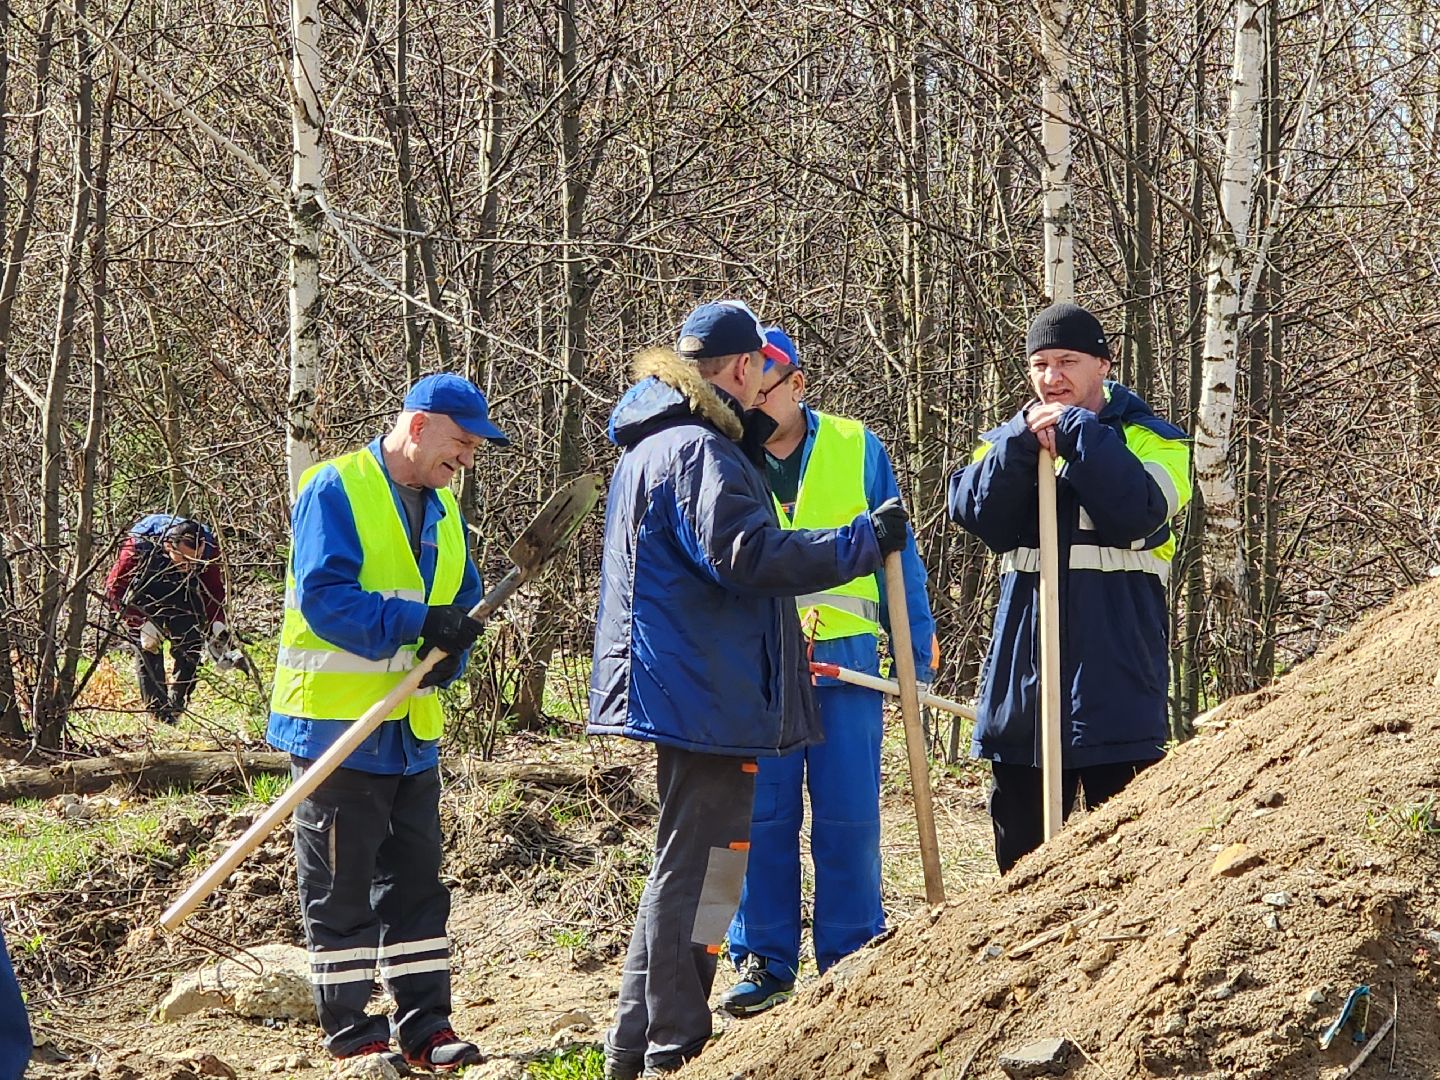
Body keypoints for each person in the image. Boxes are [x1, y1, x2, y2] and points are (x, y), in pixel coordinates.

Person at [587, 301, 911, 1079]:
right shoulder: (697, 450)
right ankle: (676, 1044)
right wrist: (863, 541)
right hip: (703, 692)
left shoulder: (665, 442)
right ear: (739, 369)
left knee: (702, 861)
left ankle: (636, 1046)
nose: (769, 383)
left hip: (699, 688)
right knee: (705, 868)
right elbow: (746, 555)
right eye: (763, 368)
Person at [266, 373, 508, 1072]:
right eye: (461, 441)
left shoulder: (443, 511)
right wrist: (416, 624)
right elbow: (326, 600)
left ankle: (426, 1026)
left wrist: (448, 655)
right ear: (421, 424)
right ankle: (353, 1034)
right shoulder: (336, 488)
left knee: (417, 889)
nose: (466, 458)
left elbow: (458, 610)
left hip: (411, 734)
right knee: (340, 891)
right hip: (337, 728)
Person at [720, 326, 937, 1016]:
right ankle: (760, 958)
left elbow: (899, 550)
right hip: (755, 661)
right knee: (756, 816)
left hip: (844, 662)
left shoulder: (854, 446)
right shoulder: (721, 455)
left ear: (797, 386)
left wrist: (918, 638)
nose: (753, 400)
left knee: (848, 814)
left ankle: (851, 953)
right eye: (746, 387)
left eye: (766, 387)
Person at [948, 302, 1191, 874]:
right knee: (1022, 858)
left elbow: (1143, 511)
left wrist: (1087, 441)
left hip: (1117, 684)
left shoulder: (1155, 441)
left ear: (1104, 365)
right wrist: (1017, 446)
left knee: (1127, 861)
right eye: (1040, 364)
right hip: (1024, 682)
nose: (1052, 377)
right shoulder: (1008, 441)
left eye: (1067, 361)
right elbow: (972, 510)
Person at [104, 515, 228, 724]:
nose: (190, 565)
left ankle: (177, 706)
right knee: (148, 651)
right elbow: (113, 589)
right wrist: (139, 622)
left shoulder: (209, 547)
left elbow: (213, 589)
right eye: (185, 560)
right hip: (144, 593)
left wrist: (217, 623)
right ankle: (158, 714)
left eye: (195, 560)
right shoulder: (138, 544)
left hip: (185, 592)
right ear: (168, 545)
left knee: (191, 646)